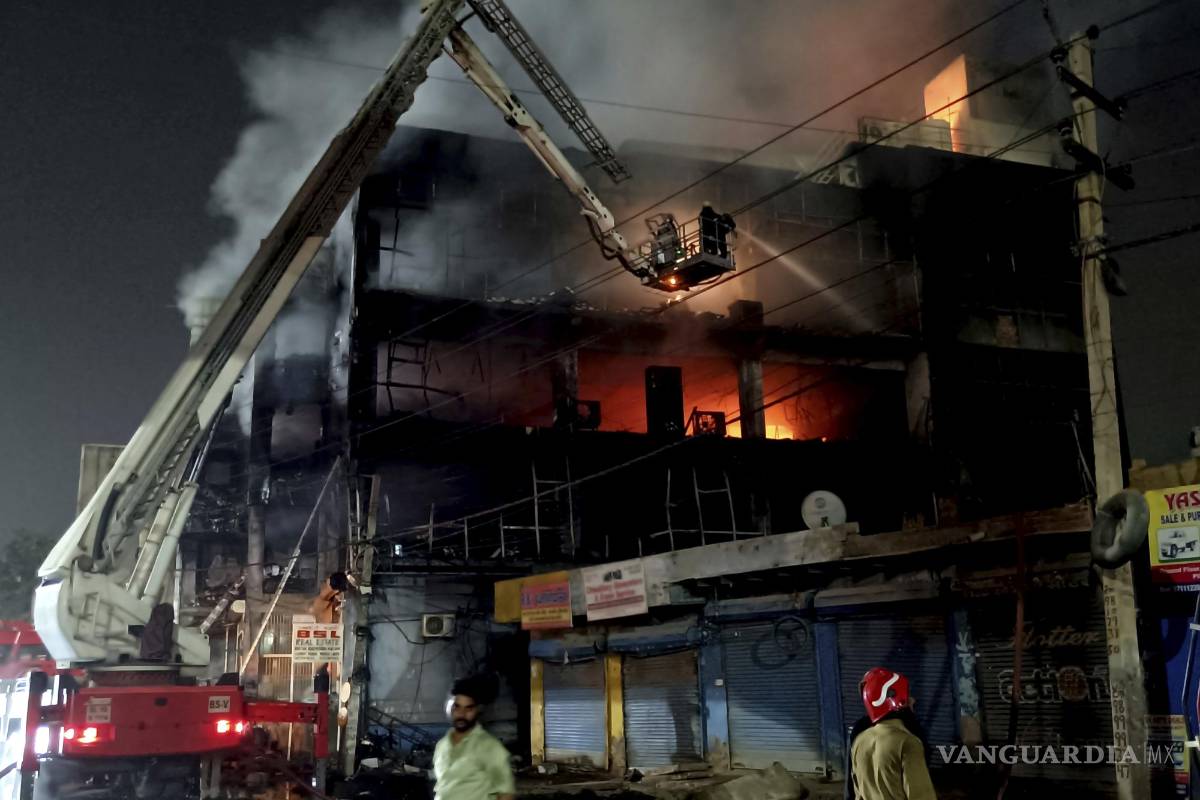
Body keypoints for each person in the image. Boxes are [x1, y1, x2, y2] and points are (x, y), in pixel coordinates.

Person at [847, 667, 936, 800]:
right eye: (907, 695)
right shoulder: (907, 742)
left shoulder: (860, 740)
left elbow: (855, 792)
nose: (912, 700)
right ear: (896, 699)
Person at [432, 676, 515, 800]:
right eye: (457, 707)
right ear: (450, 708)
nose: (462, 714)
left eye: (468, 708)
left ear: (477, 710)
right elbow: (442, 787)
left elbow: (506, 794)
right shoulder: (441, 746)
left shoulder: (490, 747)